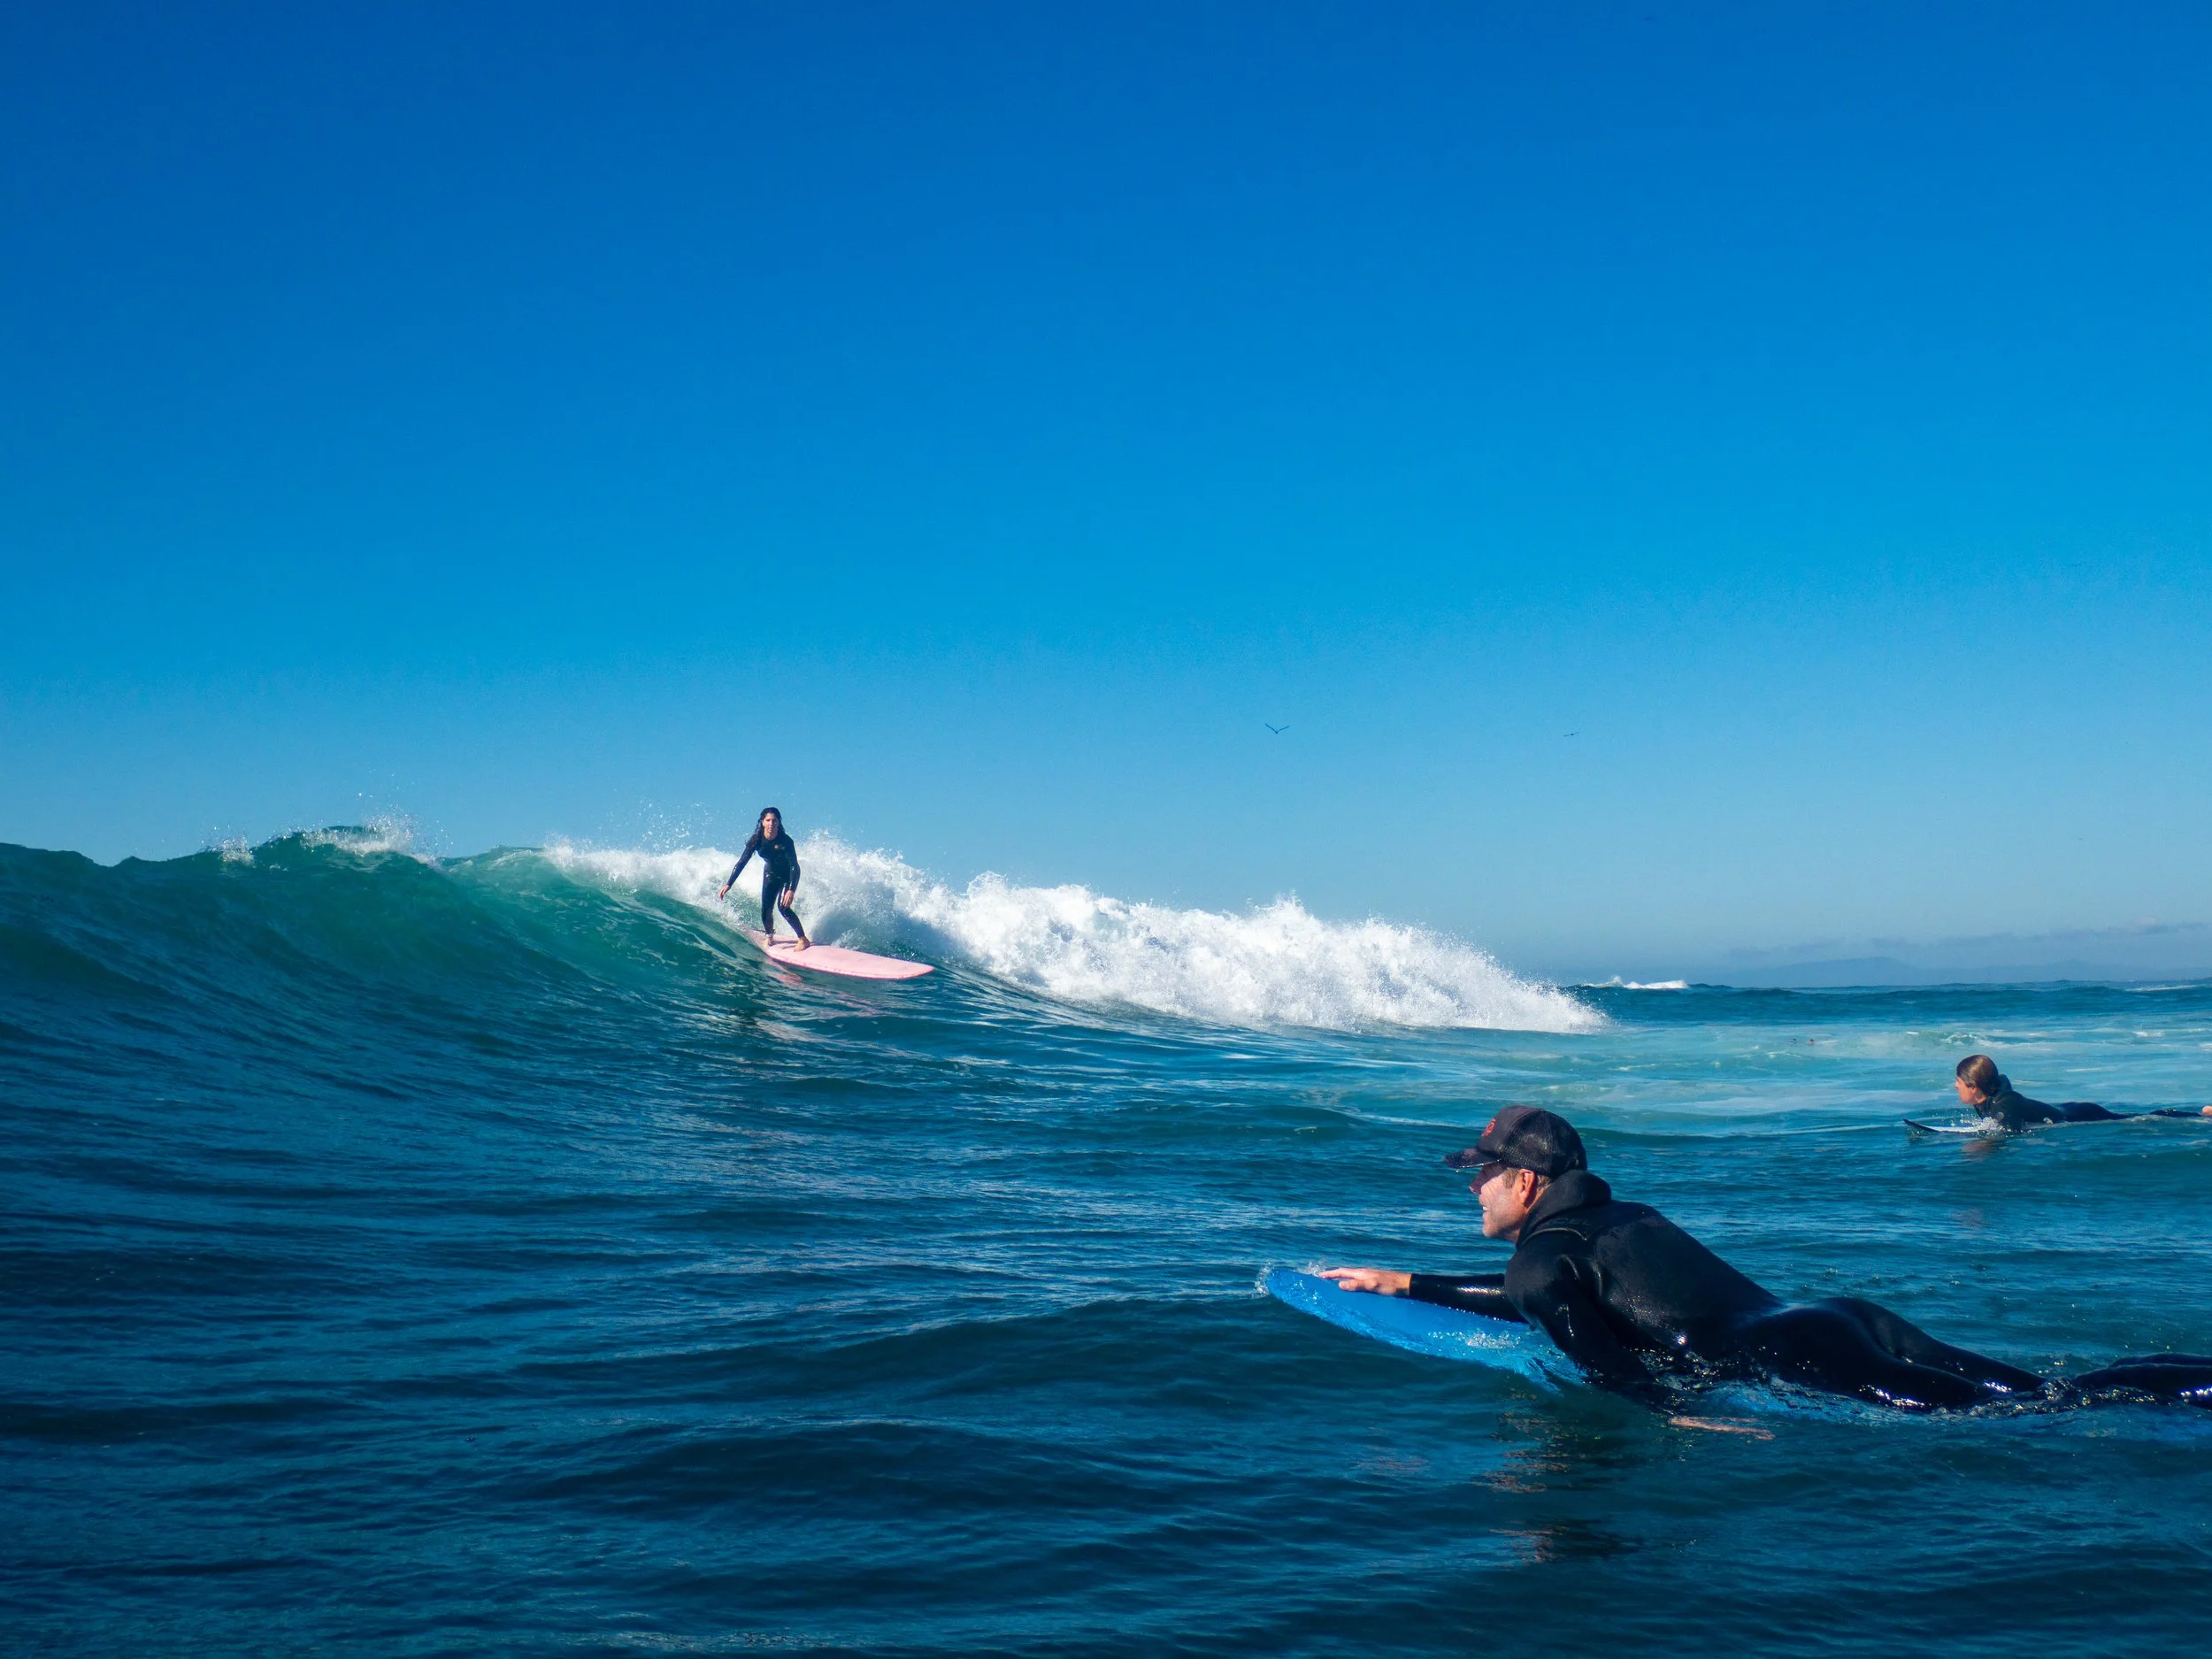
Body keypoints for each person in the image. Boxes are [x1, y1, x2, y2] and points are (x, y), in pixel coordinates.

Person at [1321, 1106, 2212, 1413]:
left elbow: (1591, 1353)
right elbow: (1549, 1292)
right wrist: (1410, 1284)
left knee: (2031, 1419)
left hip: (1796, 1357)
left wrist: (1674, 1416)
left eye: (1476, 1179)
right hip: (1835, 1317)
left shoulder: (1540, 1263)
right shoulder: (1620, 1214)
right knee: (2038, 1389)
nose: (1468, 1193)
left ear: (1522, 1183)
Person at [1951, 1054, 2212, 1131]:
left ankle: (2199, 1117)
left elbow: (2009, 1136)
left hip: (2079, 1114)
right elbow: (2003, 1079)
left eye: (1959, 1082)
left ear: (1974, 1087)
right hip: (2068, 1107)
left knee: (2138, 1117)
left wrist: (1982, 1144)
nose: (1955, 1086)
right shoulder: (1993, 1092)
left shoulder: (2002, 1107)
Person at [718, 807, 809, 948]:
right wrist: (729, 884)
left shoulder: (786, 841)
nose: (771, 823)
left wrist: (791, 889)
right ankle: (769, 936)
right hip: (771, 874)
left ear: (779, 823)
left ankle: (803, 939)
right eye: (768, 820)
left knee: (783, 907)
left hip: (787, 876)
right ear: (762, 822)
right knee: (766, 909)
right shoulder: (756, 841)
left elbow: (794, 867)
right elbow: (742, 862)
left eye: (775, 820)